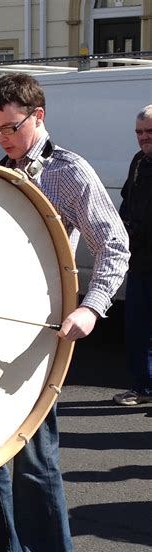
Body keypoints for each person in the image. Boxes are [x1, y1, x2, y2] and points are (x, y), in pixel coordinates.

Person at [0, 74, 129, 552]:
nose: (3, 138)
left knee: (34, 456)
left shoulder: (68, 172)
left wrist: (91, 306)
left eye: (11, 127)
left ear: (39, 115)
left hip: (39, 336)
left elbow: (114, 244)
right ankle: (0, 549)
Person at [113, 105, 152, 406]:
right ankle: (143, 386)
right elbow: (127, 203)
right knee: (137, 327)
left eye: (149, 132)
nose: (143, 138)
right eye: (139, 132)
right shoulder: (138, 161)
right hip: (139, 261)